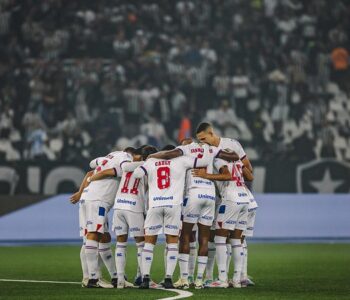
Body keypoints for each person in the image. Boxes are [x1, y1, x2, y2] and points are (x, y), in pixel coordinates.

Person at [148, 138, 239, 289]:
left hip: (193, 196)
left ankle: (184, 279)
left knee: (185, 236)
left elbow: (169, 155)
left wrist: (152, 157)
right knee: (203, 239)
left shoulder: (184, 156)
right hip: (209, 197)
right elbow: (233, 158)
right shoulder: (212, 155)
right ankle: (199, 280)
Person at [133, 145, 210, 289]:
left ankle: (145, 279)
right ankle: (168, 279)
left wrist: (148, 163)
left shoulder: (151, 161)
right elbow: (204, 161)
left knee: (149, 242)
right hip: (173, 206)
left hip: (155, 205)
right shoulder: (182, 160)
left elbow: (137, 174)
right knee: (172, 242)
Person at [196, 122, 257, 286]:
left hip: (230, 198)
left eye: (203, 139)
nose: (202, 143)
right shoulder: (235, 159)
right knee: (237, 240)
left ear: (211, 133)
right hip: (246, 198)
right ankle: (237, 279)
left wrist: (206, 175)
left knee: (220, 238)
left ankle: (222, 279)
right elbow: (250, 176)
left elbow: (227, 176)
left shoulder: (217, 158)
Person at [74, 149, 133, 288]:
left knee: (104, 237)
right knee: (93, 235)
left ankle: (114, 276)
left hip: (88, 197)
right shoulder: (125, 159)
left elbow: (90, 168)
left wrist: (80, 191)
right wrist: (93, 178)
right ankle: (93, 278)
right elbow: (107, 172)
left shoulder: (105, 158)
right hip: (98, 200)